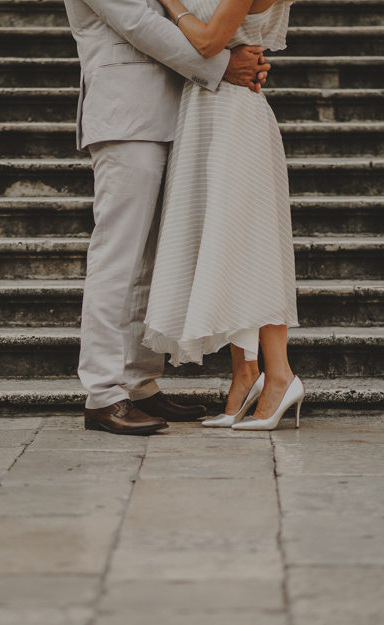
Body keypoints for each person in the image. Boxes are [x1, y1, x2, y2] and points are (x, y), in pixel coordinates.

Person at [63, 0, 272, 435]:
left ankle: (138, 381)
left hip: (180, 110)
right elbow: (137, 22)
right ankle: (103, 392)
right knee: (117, 257)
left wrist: (237, 49)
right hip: (127, 115)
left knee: (151, 263)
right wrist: (221, 64)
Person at [141, 0, 303, 430]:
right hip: (209, 108)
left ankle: (280, 374)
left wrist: (171, 4)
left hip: (232, 112)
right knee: (230, 244)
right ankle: (245, 374)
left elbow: (211, 41)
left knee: (252, 242)